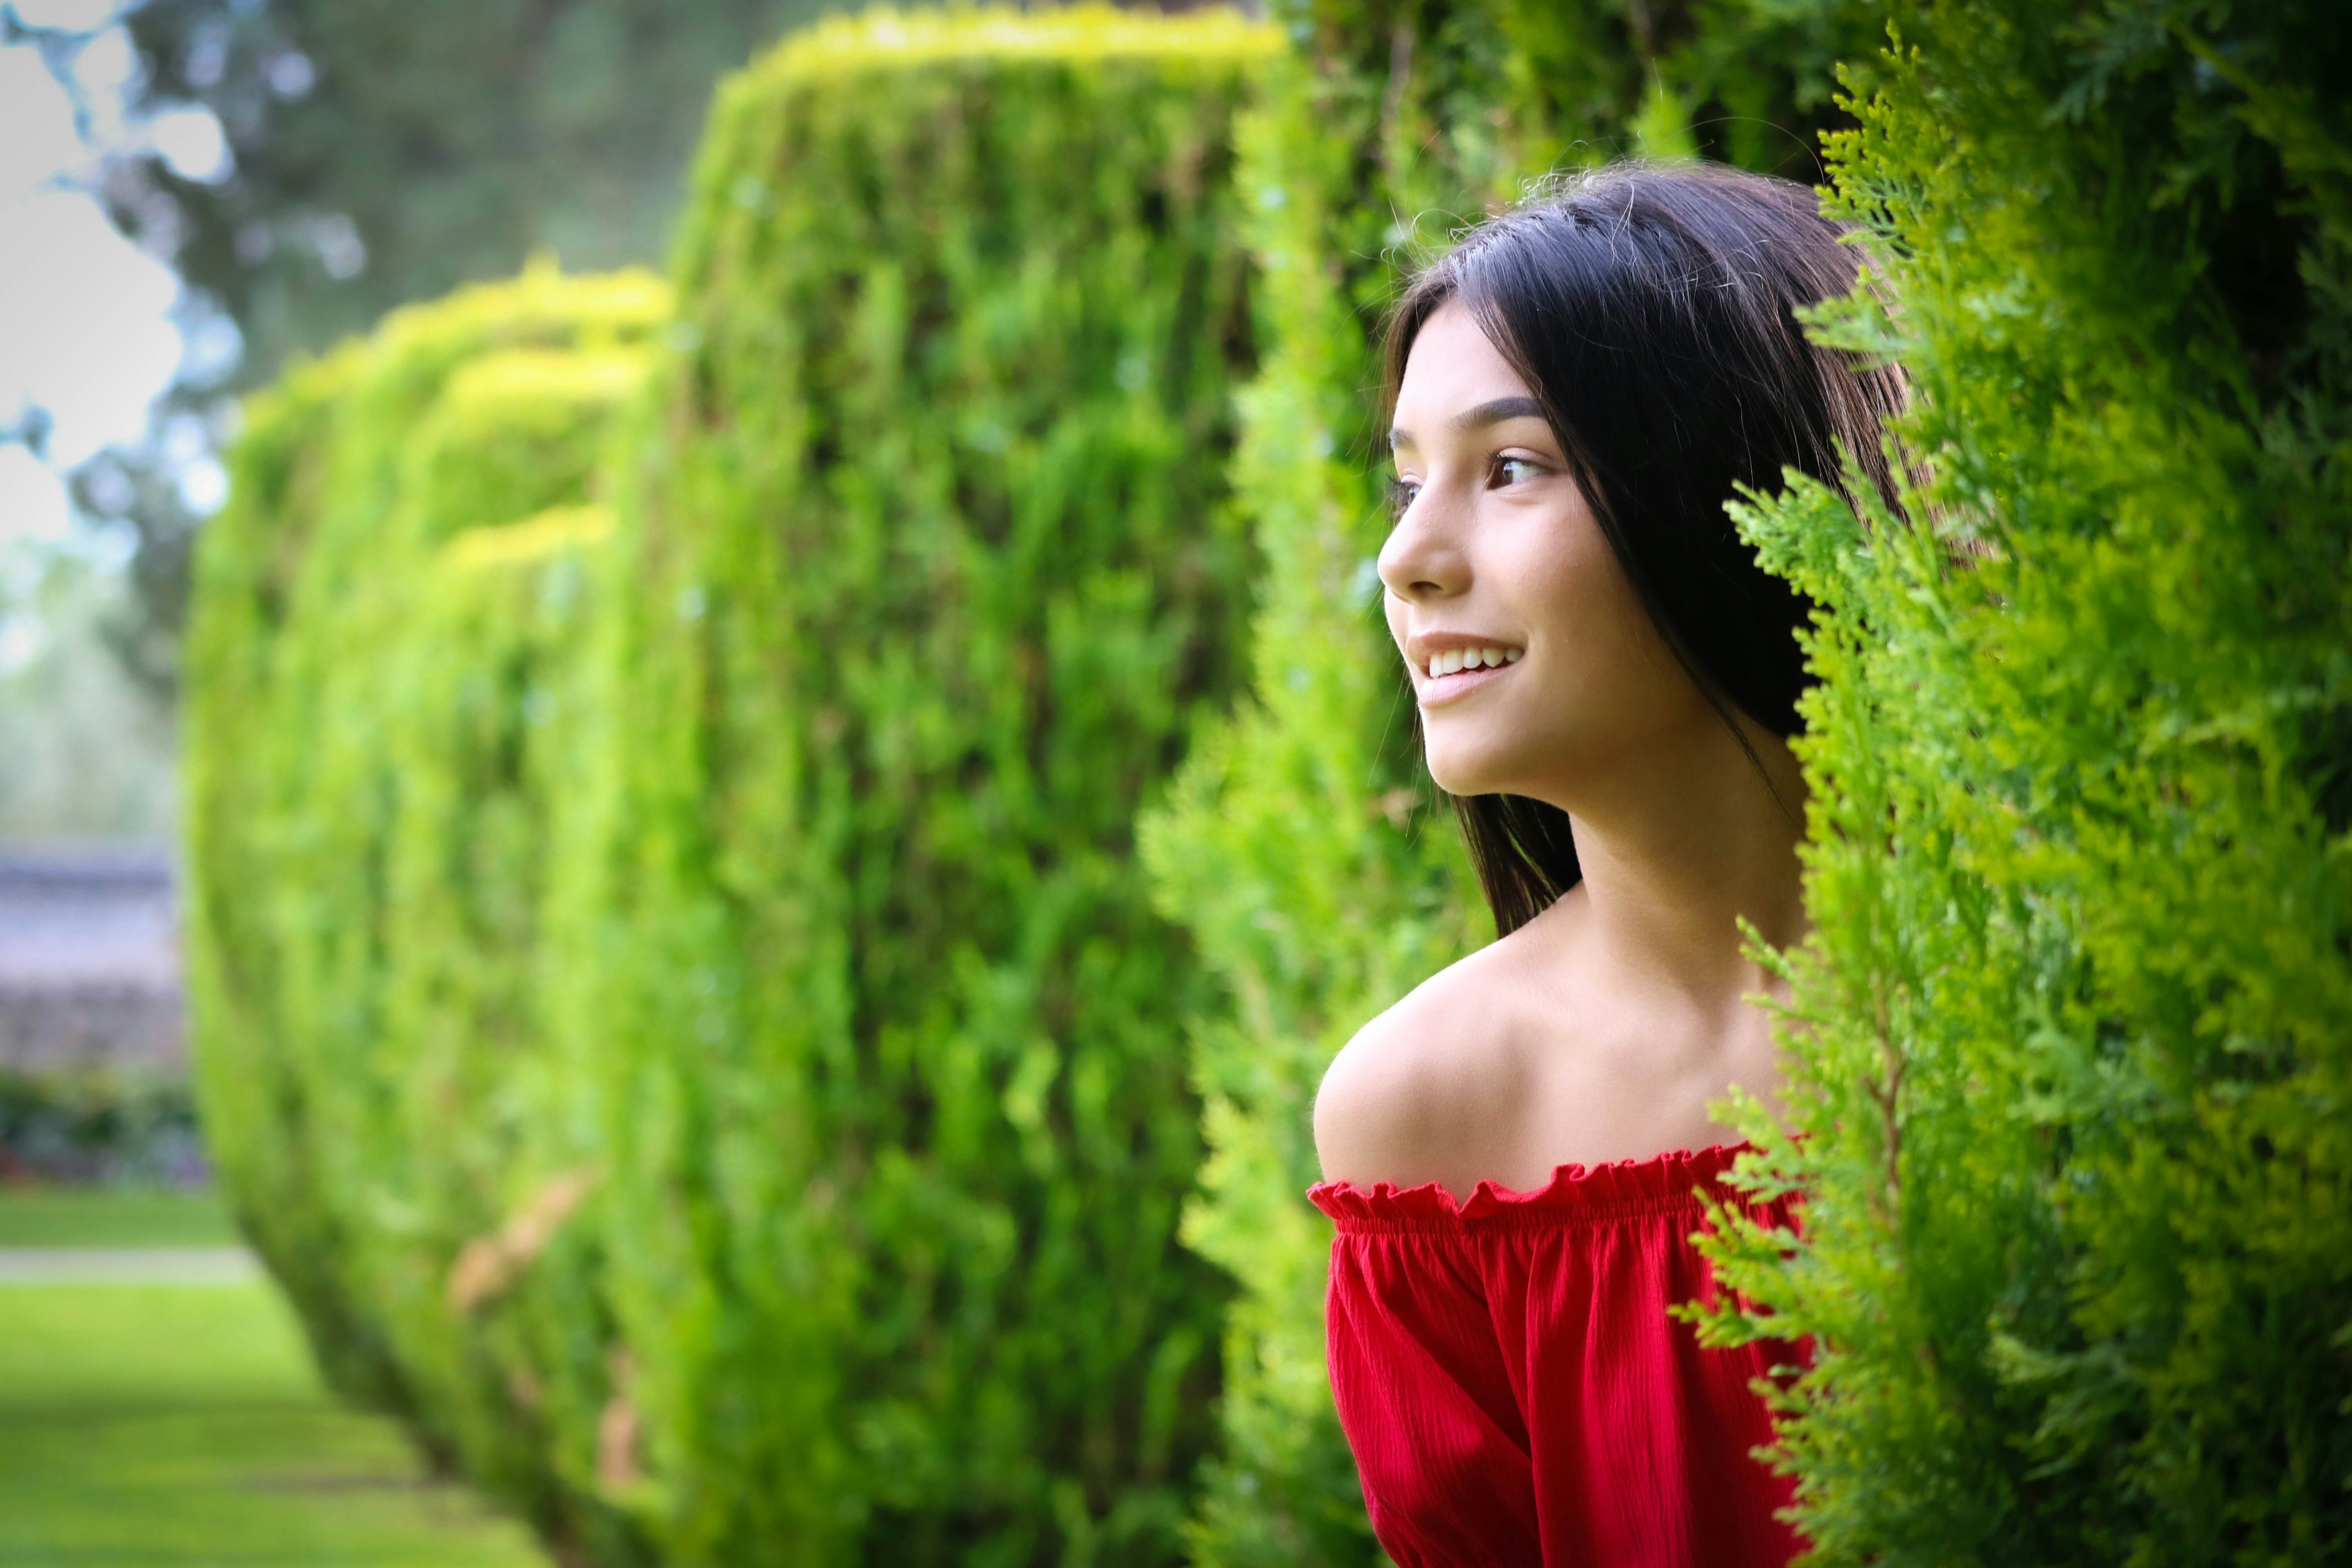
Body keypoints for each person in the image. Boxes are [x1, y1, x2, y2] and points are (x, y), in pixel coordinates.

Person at [1309, 162, 1908, 1567]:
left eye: (1511, 468)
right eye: (1408, 484)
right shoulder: (1425, 1123)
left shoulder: (2041, 1002)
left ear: (1734, 491)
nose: (1406, 558)